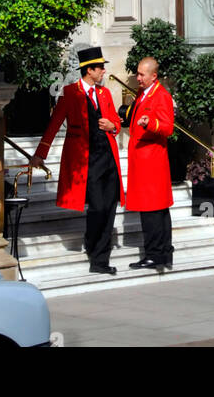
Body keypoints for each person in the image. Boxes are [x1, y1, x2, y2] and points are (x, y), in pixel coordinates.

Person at [30, 47, 123, 276]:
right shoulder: (70, 93)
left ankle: (101, 259)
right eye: (100, 67)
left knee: (109, 208)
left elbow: (114, 122)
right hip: (86, 161)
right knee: (98, 207)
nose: (103, 71)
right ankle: (94, 247)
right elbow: (54, 123)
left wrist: (114, 126)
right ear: (89, 70)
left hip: (108, 159)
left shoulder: (105, 94)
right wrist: (41, 153)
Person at [125, 56, 175, 272]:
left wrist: (150, 123)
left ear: (153, 76)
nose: (138, 78)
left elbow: (167, 127)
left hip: (151, 161)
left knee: (153, 210)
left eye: (142, 74)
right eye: (137, 73)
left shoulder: (160, 95)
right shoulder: (142, 93)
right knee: (156, 209)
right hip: (143, 160)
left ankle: (155, 254)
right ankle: (163, 253)